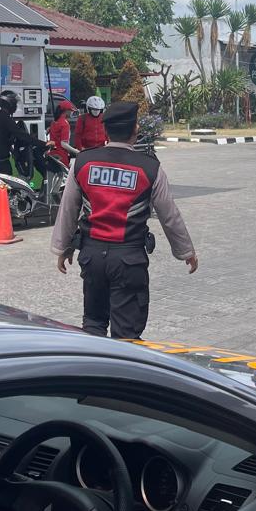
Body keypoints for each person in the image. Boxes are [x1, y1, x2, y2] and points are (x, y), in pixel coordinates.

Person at [51, 102, 198, 339]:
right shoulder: (151, 168)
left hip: (92, 257)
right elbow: (169, 215)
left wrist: (63, 248)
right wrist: (185, 251)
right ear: (135, 129)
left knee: (93, 325)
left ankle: (93, 362)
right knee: (127, 334)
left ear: (105, 130)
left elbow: (68, 209)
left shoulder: (83, 162)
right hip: (129, 260)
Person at [0, 90, 34, 176]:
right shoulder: (7, 120)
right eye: (14, 104)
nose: (15, 106)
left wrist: (12, 150)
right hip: (0, 163)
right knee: (7, 182)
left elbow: (0, 138)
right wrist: (45, 144)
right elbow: (23, 136)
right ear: (10, 104)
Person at [47, 97, 76, 168]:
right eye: (71, 110)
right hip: (61, 155)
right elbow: (64, 144)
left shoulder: (54, 122)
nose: (71, 112)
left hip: (52, 154)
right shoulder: (65, 124)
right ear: (66, 111)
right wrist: (76, 151)